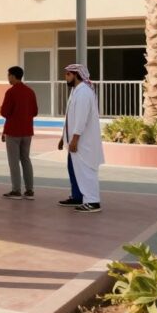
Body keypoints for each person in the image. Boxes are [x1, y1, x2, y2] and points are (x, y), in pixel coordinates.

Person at [58, 63, 104, 213]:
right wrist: (63, 137)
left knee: (86, 171)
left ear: (77, 75)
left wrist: (75, 139)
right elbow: (70, 117)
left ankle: (93, 201)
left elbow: (81, 119)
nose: (66, 77)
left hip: (83, 143)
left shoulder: (84, 92)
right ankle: (78, 197)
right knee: (74, 169)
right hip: (74, 141)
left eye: (68, 74)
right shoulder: (76, 91)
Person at [0, 66, 38, 200]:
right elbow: (35, 112)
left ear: (13, 76)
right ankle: (29, 190)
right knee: (26, 159)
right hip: (27, 131)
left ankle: (16, 190)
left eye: (8, 75)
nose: (8, 78)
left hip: (13, 131)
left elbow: (4, 112)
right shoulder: (30, 92)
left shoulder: (11, 92)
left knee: (14, 161)